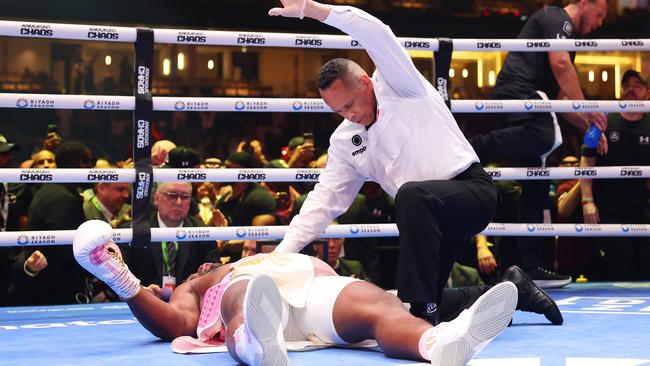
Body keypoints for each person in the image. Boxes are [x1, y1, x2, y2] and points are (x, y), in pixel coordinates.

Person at [268, 0, 497, 325]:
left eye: (349, 104)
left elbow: (375, 32)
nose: (348, 115)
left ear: (366, 83)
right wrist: (281, 255)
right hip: (432, 225)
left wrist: (312, 9)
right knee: (437, 300)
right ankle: (509, 289)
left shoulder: (400, 86)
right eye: (339, 111)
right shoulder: (346, 142)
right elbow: (323, 203)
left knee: (411, 199)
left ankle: (417, 312)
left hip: (471, 195)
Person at [73, 220, 518, 366]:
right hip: (255, 293)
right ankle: (254, 344)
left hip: (313, 283)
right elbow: (173, 322)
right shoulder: (204, 281)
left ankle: (438, 343)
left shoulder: (273, 257)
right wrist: (120, 277)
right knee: (245, 291)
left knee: (377, 303)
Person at [468, 0, 609, 288]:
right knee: (545, 136)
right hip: (517, 94)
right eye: (600, 14)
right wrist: (590, 106)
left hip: (536, 102)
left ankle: (530, 267)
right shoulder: (557, 18)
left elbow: (561, 101)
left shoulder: (568, 42)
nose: (600, 23)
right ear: (585, 3)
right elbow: (559, 64)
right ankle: (472, 147)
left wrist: (589, 126)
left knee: (537, 175)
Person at [580, 70, 650, 280]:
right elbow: (586, 159)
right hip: (610, 208)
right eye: (626, 84)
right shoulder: (603, 121)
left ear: (647, 92)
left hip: (644, 206)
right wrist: (587, 200)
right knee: (622, 266)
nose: (630, 89)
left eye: (637, 85)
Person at [119, 182, 219, 295]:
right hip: (142, 303)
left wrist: (190, 291)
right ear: (156, 199)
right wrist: (140, 291)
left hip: (188, 304)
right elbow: (120, 276)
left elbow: (213, 277)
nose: (178, 202)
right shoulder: (131, 232)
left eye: (185, 197)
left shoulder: (204, 233)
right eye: (172, 195)